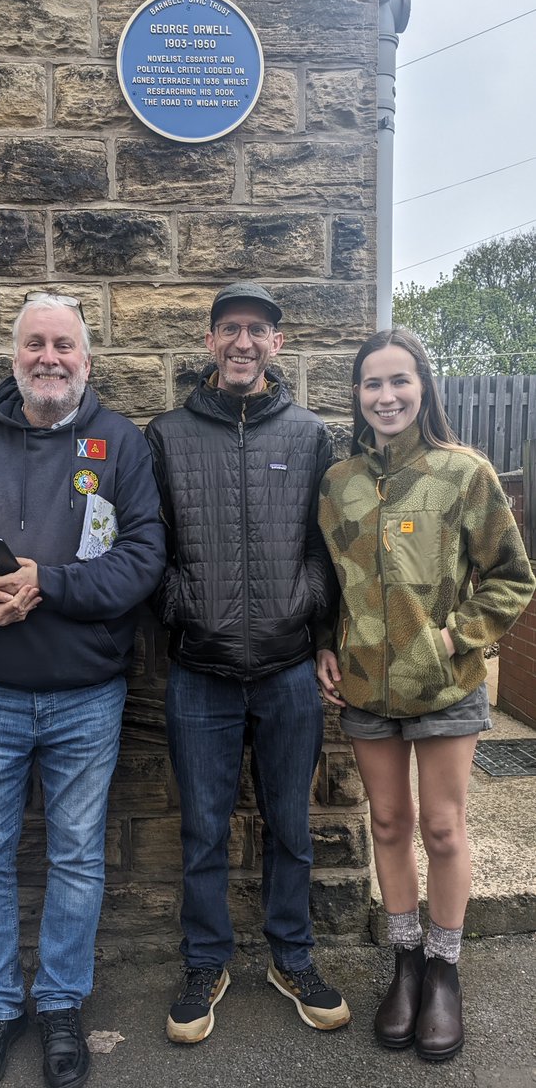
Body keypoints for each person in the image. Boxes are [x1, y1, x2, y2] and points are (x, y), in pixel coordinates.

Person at [0, 292, 165, 1088]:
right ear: (14, 356)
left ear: (87, 359)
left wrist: (50, 583)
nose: (50, 358)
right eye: (35, 344)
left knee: (76, 855)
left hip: (87, 693)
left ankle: (57, 1005)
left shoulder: (119, 444)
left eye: (65, 346)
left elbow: (144, 557)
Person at [316, 327, 535, 1061]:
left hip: (444, 687)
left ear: (423, 387)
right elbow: (327, 582)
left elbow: (512, 576)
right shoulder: (338, 481)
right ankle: (403, 963)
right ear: (357, 394)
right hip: (365, 689)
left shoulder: (463, 473)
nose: (385, 396)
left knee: (441, 828)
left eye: (398, 381)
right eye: (372, 383)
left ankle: (443, 970)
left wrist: (453, 638)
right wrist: (325, 641)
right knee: (385, 824)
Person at [145, 280, 350, 1044]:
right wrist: (184, 608)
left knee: (289, 824)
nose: (241, 342)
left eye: (256, 331)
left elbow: (326, 548)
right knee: (201, 828)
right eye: (228, 329)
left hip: (288, 668)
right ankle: (206, 961)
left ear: (276, 343)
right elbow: (148, 546)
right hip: (199, 669)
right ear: (209, 341)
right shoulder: (165, 434)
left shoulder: (309, 435)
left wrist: (310, 616)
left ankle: (290, 955)